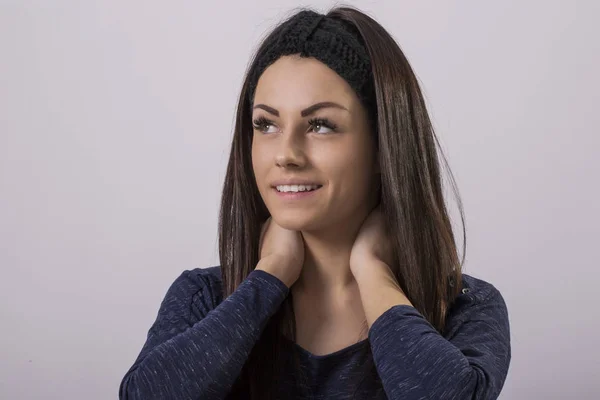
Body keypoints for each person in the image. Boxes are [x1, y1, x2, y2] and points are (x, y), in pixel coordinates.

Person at [119, 6, 511, 400]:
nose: (286, 154)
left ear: (383, 147)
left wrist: (373, 273)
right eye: (266, 124)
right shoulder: (203, 296)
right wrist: (270, 275)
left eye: (320, 125)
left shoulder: (465, 308)